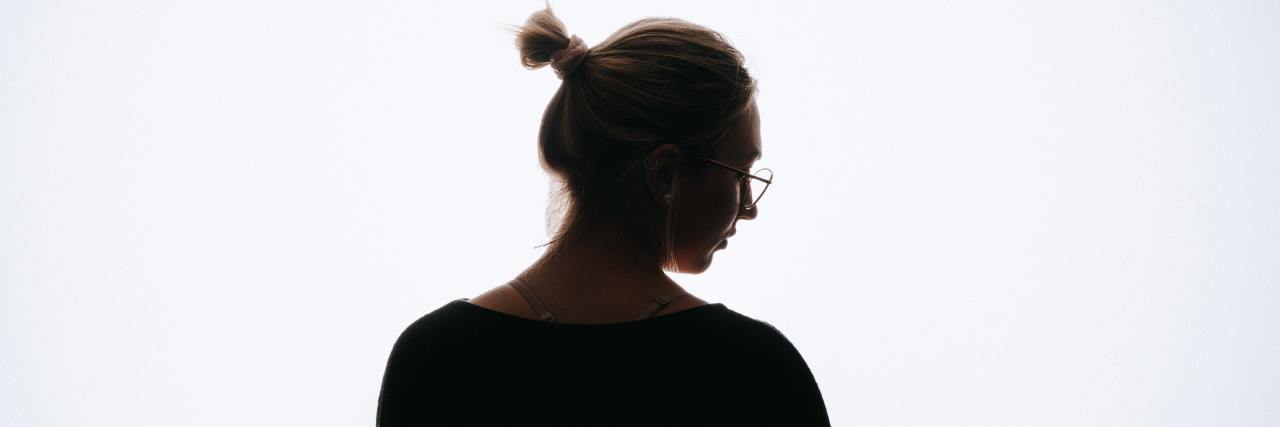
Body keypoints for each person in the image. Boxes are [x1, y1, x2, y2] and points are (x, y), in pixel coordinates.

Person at [377, 5, 829, 425]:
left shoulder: (436, 356)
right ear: (666, 174)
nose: (748, 208)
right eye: (739, 175)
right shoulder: (750, 369)